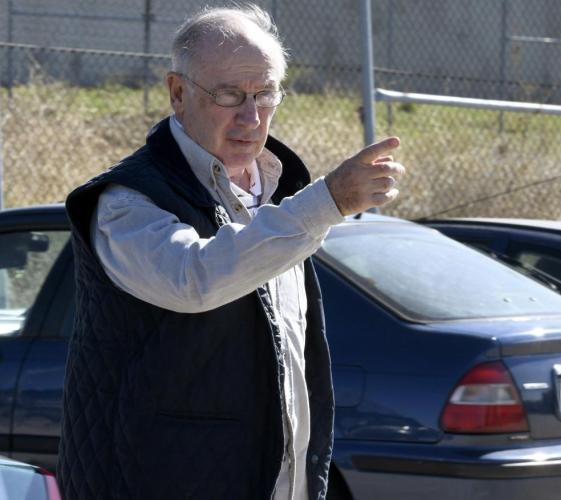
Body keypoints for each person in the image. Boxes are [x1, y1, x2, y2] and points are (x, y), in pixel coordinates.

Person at [57, 4, 404, 499]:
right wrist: (327, 202)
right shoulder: (127, 202)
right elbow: (194, 277)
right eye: (229, 95)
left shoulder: (282, 194)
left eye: (265, 94)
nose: (251, 116)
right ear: (178, 93)